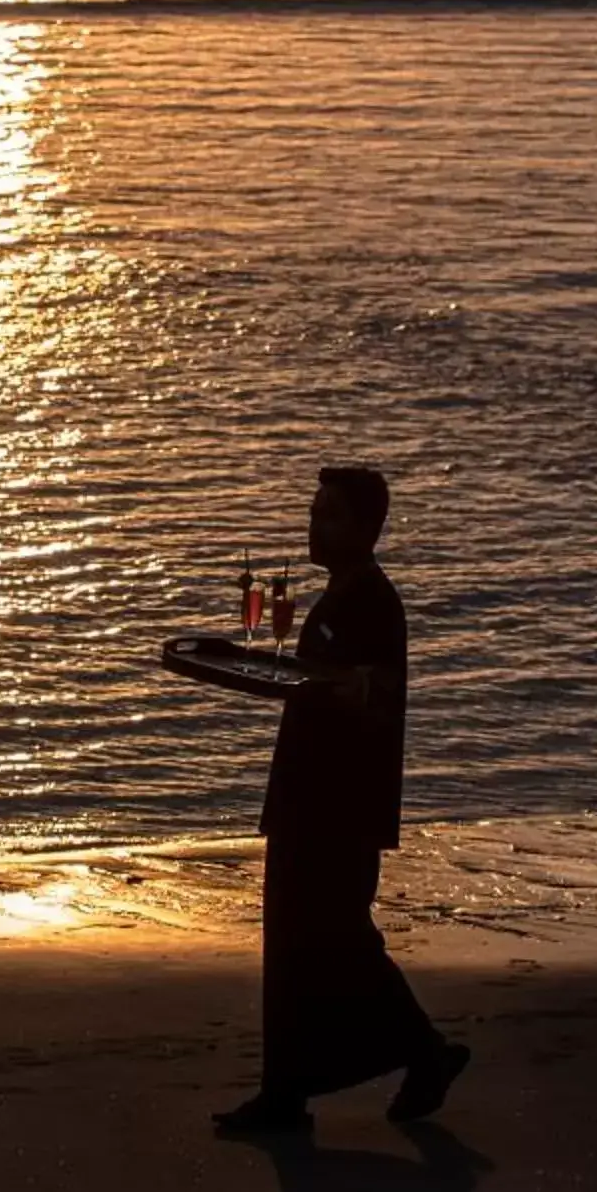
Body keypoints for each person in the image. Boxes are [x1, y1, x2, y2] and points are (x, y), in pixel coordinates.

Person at [213, 465, 471, 1136]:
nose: (314, 525)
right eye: (313, 511)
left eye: (329, 515)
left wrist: (302, 682)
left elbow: (371, 694)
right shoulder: (337, 596)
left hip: (340, 806)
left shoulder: (373, 604)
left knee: (336, 941)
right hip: (308, 796)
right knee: (303, 943)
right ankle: (293, 1090)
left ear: (364, 529)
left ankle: (413, 1056)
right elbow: (318, 681)